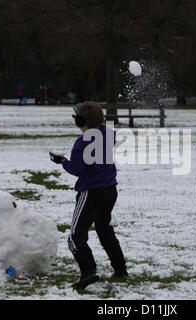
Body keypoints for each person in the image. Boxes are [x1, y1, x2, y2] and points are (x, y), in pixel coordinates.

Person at [49, 101, 127, 290]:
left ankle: (88, 272)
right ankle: (120, 269)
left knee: (75, 236)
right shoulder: (109, 134)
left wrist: (62, 161)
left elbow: (77, 169)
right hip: (110, 190)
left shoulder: (81, 143)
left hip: (91, 192)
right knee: (104, 229)